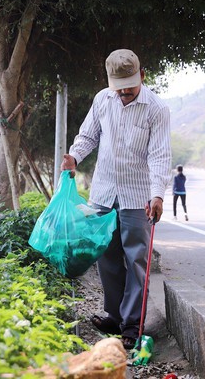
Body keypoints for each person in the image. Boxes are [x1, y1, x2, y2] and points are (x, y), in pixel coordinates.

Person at [60, 48, 172, 350]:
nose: (124, 95)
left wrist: (157, 194)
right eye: (119, 89)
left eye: (129, 89)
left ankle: (132, 326)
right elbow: (88, 137)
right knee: (107, 256)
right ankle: (114, 315)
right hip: (104, 191)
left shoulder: (156, 109)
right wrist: (74, 156)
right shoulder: (102, 99)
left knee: (137, 260)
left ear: (143, 76)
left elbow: (159, 156)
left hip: (139, 196)